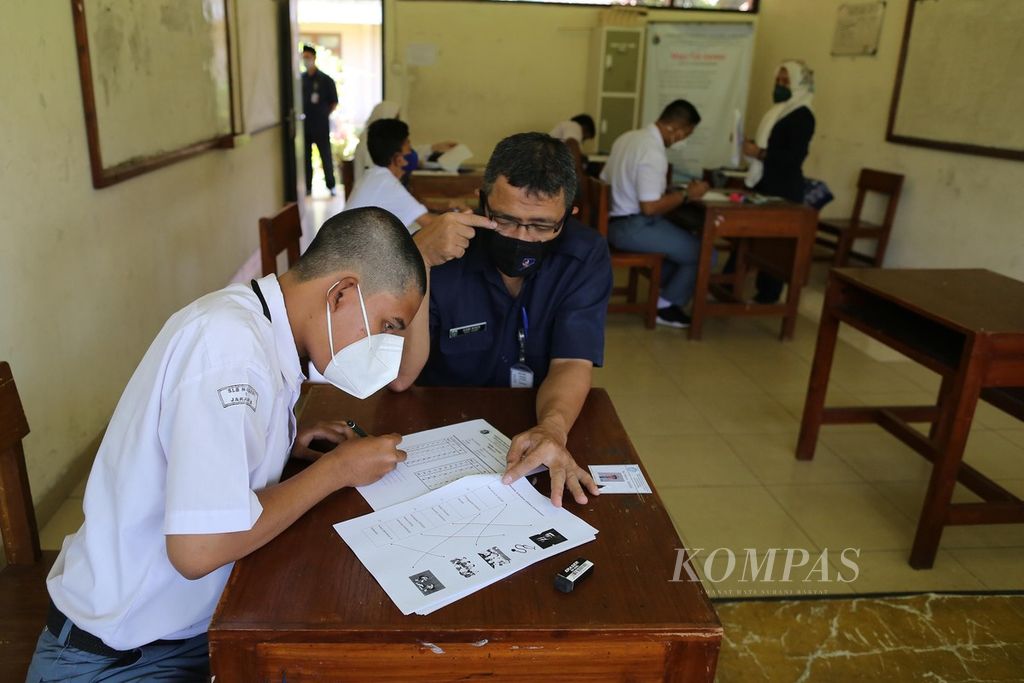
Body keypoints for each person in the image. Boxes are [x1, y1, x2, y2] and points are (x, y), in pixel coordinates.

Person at [26, 207, 425, 682]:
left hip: (190, 629)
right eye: (389, 326)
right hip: (118, 657)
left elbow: (212, 431)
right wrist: (337, 469)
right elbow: (198, 549)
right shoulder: (229, 351)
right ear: (341, 294)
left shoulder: (259, 323)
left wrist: (285, 439)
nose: (389, 348)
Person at [392, 132, 613, 508]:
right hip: (437, 430)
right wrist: (420, 262)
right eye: (505, 220)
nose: (521, 237)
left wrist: (552, 428)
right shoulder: (441, 249)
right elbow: (401, 378)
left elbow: (572, 361)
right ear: (481, 199)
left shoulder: (583, 255)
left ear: (569, 214)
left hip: (532, 419)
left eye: (542, 226)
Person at [600, 100, 709, 328]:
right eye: (686, 134)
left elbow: (605, 179)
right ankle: (666, 306)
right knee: (705, 252)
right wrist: (688, 194)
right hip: (634, 227)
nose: (683, 140)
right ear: (676, 129)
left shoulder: (628, 137)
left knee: (684, 248)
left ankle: (666, 293)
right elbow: (649, 208)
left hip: (613, 222)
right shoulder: (653, 152)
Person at [728, 60, 817, 304]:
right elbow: (766, 147)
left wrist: (759, 153)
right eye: (778, 81)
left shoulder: (803, 115)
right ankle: (727, 284)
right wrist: (746, 145)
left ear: (800, 84)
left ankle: (767, 296)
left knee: (774, 247)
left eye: (786, 82)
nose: (780, 86)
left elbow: (793, 157)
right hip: (764, 183)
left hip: (784, 188)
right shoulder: (777, 111)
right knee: (745, 236)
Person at [345, 118, 466, 232]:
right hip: (356, 252)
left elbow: (414, 205)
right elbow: (431, 224)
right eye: (408, 145)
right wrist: (465, 215)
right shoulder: (387, 184)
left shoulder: (375, 175)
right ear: (398, 159)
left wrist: (443, 206)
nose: (412, 151)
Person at [352, 101, 458, 185]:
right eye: (395, 117)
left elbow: (405, 150)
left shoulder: (383, 143)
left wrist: (434, 147)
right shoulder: (367, 146)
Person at [301, 45, 339, 197]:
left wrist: (324, 114)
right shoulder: (301, 79)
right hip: (305, 124)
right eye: (304, 57)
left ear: (314, 58)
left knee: (325, 156)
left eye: (308, 57)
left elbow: (334, 102)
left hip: (321, 124)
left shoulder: (325, 79)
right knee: (305, 158)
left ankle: (331, 186)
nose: (306, 60)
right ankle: (307, 187)